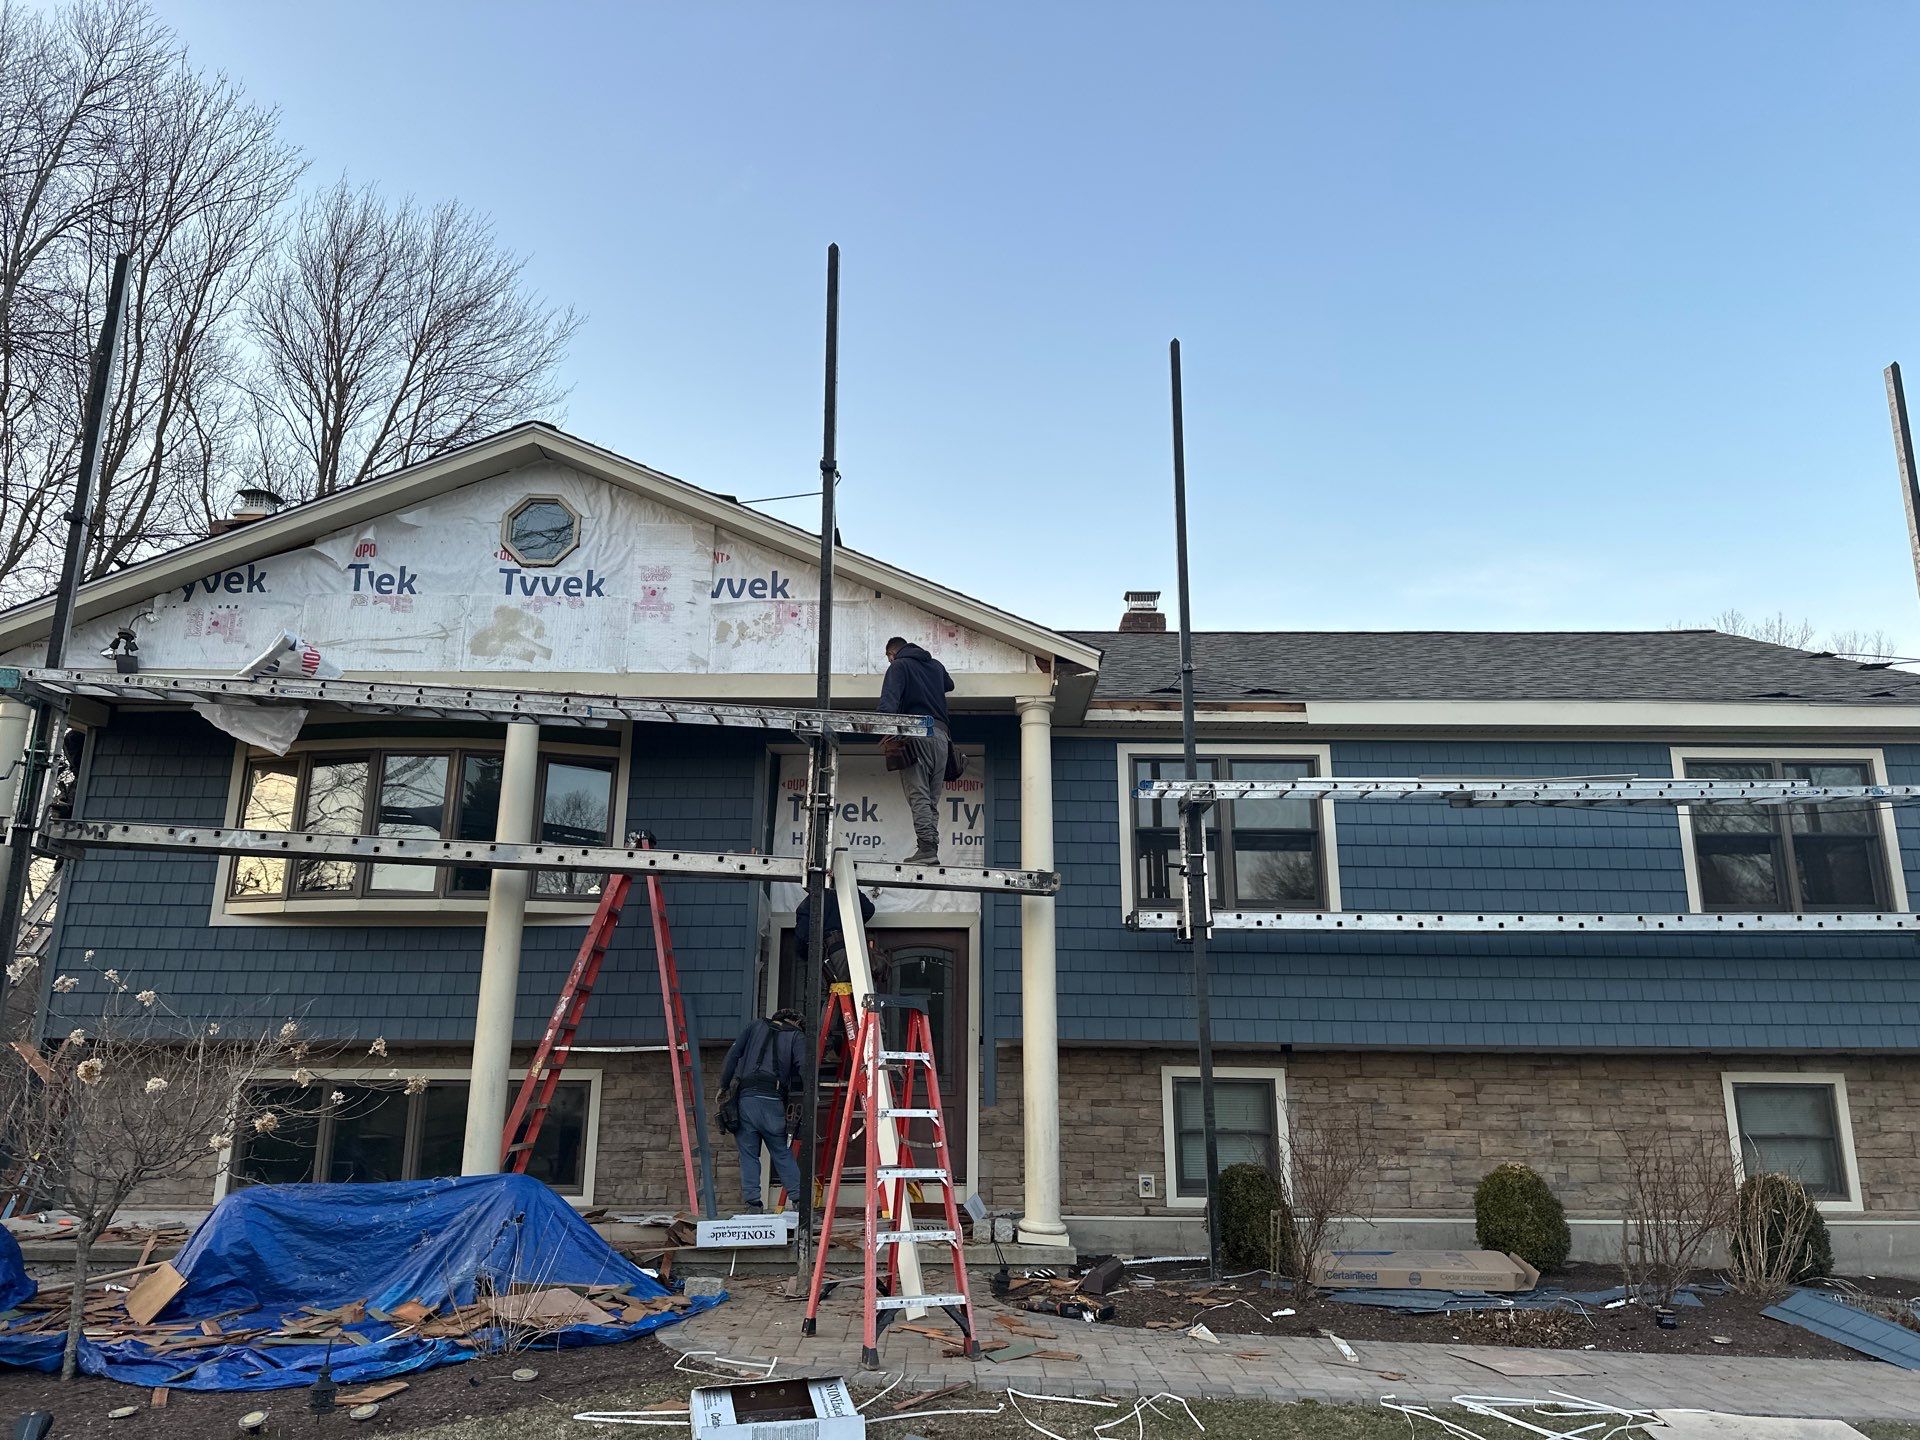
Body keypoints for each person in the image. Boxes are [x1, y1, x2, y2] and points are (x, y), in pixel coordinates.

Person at [718, 1007, 807, 1210]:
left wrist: (723, 1085)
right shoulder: (796, 1036)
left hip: (746, 1099)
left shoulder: (755, 1025)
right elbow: (805, 1070)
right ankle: (800, 1202)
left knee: (748, 1155)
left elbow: (733, 1055)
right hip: (772, 1101)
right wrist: (810, 1098)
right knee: (781, 1152)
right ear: (796, 1022)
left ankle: (753, 1205)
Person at [878, 635, 954, 864]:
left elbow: (888, 702)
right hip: (942, 737)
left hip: (916, 733)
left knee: (918, 794)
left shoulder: (899, 666)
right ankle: (930, 848)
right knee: (930, 798)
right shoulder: (935, 665)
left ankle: (927, 849)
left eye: (889, 659)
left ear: (892, 654)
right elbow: (949, 684)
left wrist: (885, 729)